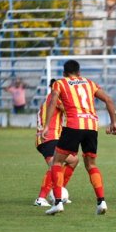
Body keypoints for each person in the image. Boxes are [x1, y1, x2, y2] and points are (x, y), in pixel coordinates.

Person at [42, 59, 116, 215]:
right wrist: (113, 123)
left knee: (56, 162)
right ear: (79, 72)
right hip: (91, 127)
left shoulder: (60, 83)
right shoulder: (89, 83)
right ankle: (101, 201)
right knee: (91, 165)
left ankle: (57, 202)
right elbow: (109, 100)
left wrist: (46, 126)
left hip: (73, 125)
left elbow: (52, 103)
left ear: (64, 73)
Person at [33, 78, 79, 207]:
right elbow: (69, 110)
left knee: (73, 160)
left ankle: (59, 192)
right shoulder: (54, 97)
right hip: (48, 138)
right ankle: (41, 198)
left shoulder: (50, 99)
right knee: (54, 166)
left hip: (52, 138)